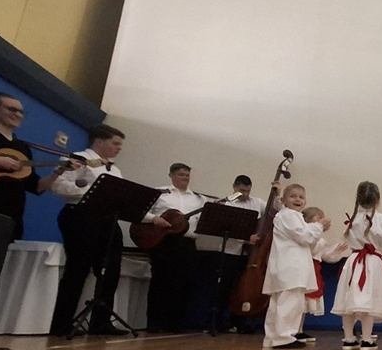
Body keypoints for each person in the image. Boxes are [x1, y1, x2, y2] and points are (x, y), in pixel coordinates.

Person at [48, 124, 127, 336]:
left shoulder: (114, 169)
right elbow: (58, 186)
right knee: (77, 269)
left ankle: (101, 322)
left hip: (108, 220)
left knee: (111, 271)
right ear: (99, 141)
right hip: (81, 216)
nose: (119, 148)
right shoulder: (78, 159)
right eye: (115, 143)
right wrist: (92, 190)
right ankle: (61, 324)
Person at [0, 91, 74, 241]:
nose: (18, 115)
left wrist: (59, 171)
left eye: (21, 112)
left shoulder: (22, 148)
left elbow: (36, 186)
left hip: (8, 219)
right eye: (12, 109)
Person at [332, 181, 382, 350]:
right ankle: (366, 339)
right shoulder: (381, 219)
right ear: (378, 199)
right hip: (373, 263)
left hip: (353, 261)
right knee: (369, 301)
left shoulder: (353, 219)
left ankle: (348, 338)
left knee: (349, 299)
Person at [195, 174, 269, 333]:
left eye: (248, 191)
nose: (245, 194)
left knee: (241, 288)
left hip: (248, 255)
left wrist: (276, 193)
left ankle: (238, 322)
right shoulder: (226, 204)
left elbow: (273, 210)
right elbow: (220, 228)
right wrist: (245, 239)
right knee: (222, 288)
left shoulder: (257, 202)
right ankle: (215, 322)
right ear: (234, 187)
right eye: (242, 190)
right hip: (229, 252)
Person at [261, 185, 329, 349]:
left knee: (278, 304)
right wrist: (319, 226)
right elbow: (304, 236)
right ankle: (284, 337)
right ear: (284, 200)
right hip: (292, 267)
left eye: (301, 197)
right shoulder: (290, 215)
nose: (297, 199)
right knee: (291, 303)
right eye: (293, 196)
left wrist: (316, 229)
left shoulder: (286, 215)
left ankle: (272, 337)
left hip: (285, 266)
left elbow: (305, 238)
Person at [142, 163, 208, 333]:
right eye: (180, 174)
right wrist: (154, 219)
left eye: (187, 175)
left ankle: (176, 323)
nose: (185, 177)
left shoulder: (199, 199)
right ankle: (155, 323)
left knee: (184, 283)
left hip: (187, 243)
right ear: (171, 175)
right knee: (160, 281)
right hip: (164, 242)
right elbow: (140, 212)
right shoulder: (159, 192)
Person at [294, 207, 348, 344]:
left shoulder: (319, 239)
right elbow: (312, 248)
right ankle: (292, 330)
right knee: (299, 302)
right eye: (319, 218)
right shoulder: (307, 237)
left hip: (314, 270)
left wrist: (336, 250)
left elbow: (325, 256)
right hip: (304, 270)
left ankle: (299, 330)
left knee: (305, 303)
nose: (322, 221)